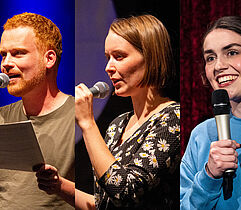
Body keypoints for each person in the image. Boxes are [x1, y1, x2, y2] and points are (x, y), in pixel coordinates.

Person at [36, 14, 180, 209]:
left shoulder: (172, 119)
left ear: (150, 57)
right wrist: (58, 185)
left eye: (119, 57)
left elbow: (125, 192)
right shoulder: (118, 124)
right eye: (107, 57)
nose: (108, 67)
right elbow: (104, 203)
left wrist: (87, 123)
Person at [0, 12, 75, 209]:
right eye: (3, 54)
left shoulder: (80, 116)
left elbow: (99, 198)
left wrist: (59, 185)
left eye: (18, 53)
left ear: (49, 59)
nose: (6, 63)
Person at [180, 16, 241, 209]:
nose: (218, 66)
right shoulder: (203, 134)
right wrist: (209, 175)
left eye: (232, 53)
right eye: (210, 58)